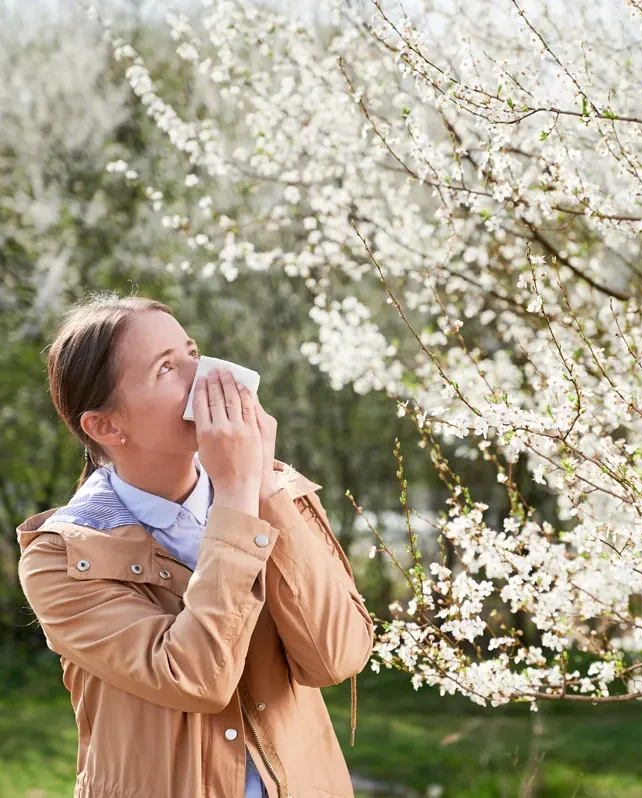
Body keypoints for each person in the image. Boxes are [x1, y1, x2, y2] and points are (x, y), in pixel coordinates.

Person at [16, 291, 374, 798]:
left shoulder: (274, 491)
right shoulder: (61, 559)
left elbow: (336, 657)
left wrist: (262, 491)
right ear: (106, 425)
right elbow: (195, 678)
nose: (205, 376)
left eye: (192, 352)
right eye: (166, 368)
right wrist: (235, 498)